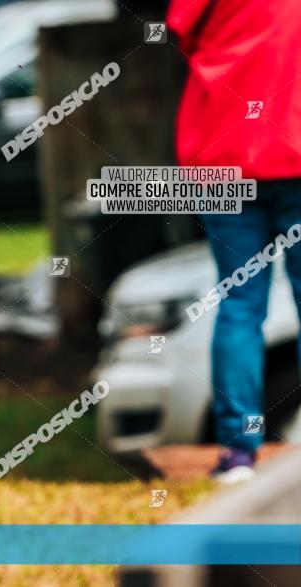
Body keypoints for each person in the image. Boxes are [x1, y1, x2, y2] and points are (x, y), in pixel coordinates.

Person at [168, 0, 301, 483]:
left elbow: (180, 28)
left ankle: (240, 453)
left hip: (224, 152)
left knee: (241, 305)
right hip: (295, 146)